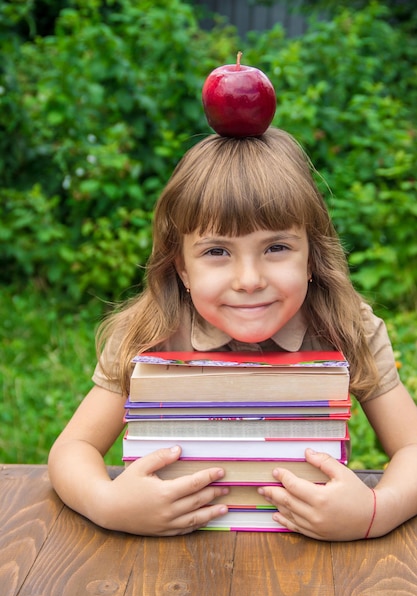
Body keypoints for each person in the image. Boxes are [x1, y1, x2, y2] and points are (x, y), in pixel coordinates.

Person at [48, 128, 417, 540]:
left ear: (311, 256)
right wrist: (108, 503)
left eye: (276, 247)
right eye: (217, 252)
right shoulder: (150, 333)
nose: (248, 280)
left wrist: (375, 512)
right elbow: (71, 450)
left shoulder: (349, 327)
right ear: (183, 269)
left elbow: (412, 448)